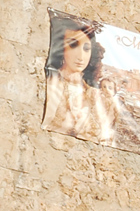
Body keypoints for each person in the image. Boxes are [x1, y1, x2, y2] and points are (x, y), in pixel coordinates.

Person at [42, 13, 118, 144]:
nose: (81, 55)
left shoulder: (95, 95)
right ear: (61, 47)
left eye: (86, 48)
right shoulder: (52, 83)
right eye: (73, 45)